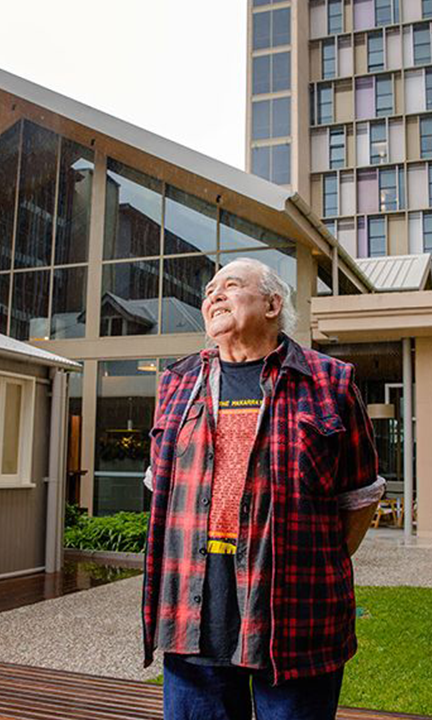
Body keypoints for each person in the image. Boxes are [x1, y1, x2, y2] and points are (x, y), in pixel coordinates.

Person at [142, 258, 384, 720]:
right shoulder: (176, 383)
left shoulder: (331, 381)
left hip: (296, 615)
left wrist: (312, 558)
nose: (213, 295)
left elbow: (360, 497)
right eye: (210, 289)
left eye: (230, 286)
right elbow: (162, 488)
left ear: (273, 304)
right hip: (193, 613)